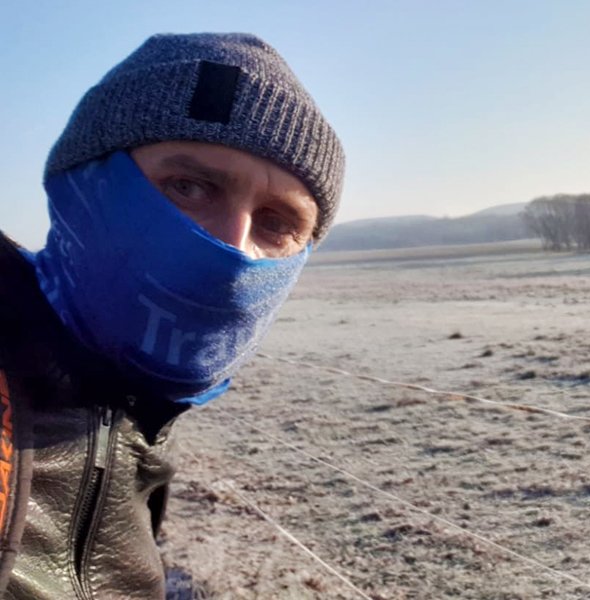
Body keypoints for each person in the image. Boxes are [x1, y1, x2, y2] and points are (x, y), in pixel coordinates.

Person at [0, 33, 344, 598]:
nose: (232, 249)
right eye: (188, 187)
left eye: (277, 223)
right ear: (84, 181)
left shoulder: (136, 421)